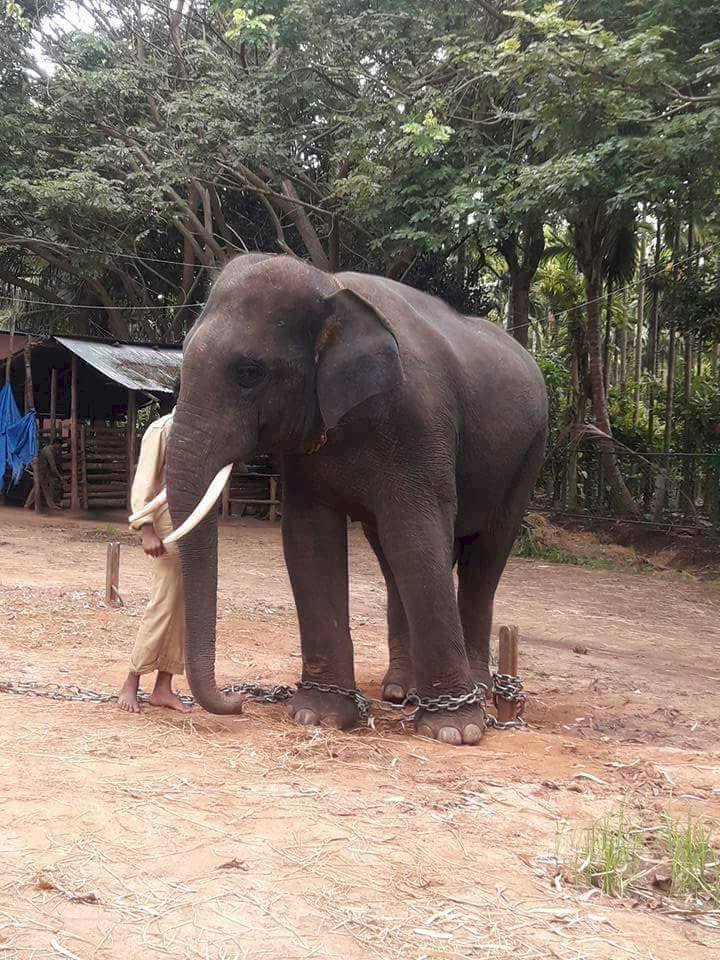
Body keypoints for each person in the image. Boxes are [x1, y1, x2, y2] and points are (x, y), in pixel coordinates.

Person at [118, 378, 191, 714]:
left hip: (191, 526)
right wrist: (146, 529)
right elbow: (142, 485)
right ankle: (131, 679)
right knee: (164, 603)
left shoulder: (198, 431)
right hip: (164, 525)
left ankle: (164, 686)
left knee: (183, 608)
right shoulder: (163, 429)